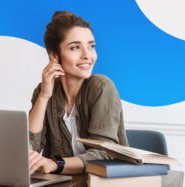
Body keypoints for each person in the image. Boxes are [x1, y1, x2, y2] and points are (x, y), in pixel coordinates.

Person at [28, 11, 128, 175]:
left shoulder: (102, 88)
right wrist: (44, 96)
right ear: (54, 55)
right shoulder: (43, 91)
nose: (87, 55)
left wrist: (55, 164)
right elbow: (30, 147)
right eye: (75, 47)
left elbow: (104, 155)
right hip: (62, 182)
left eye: (91, 46)